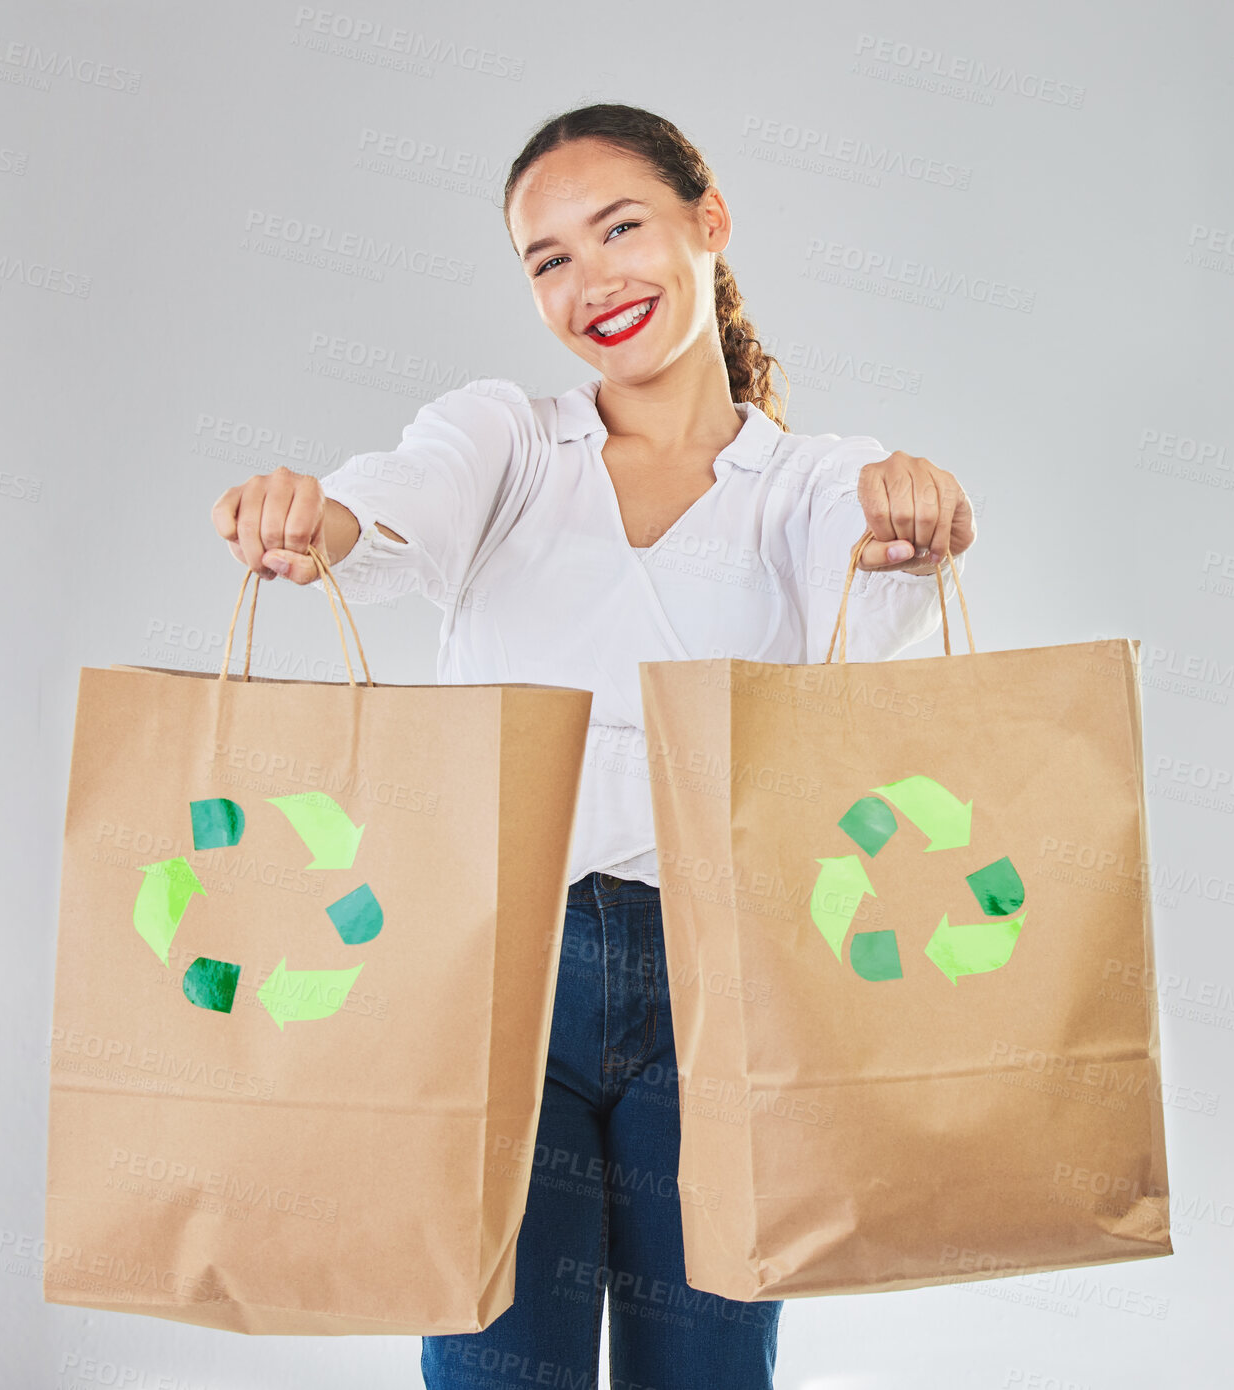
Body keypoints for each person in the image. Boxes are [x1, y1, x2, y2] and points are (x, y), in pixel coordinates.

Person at [212, 103, 975, 1390]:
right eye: (547, 258)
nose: (587, 279)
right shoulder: (509, 441)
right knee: (497, 1370)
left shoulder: (805, 482)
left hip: (721, 992)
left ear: (709, 224)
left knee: (711, 1374)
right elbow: (397, 496)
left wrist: (911, 510)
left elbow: (864, 547)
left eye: (619, 227)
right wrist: (318, 515)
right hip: (499, 981)